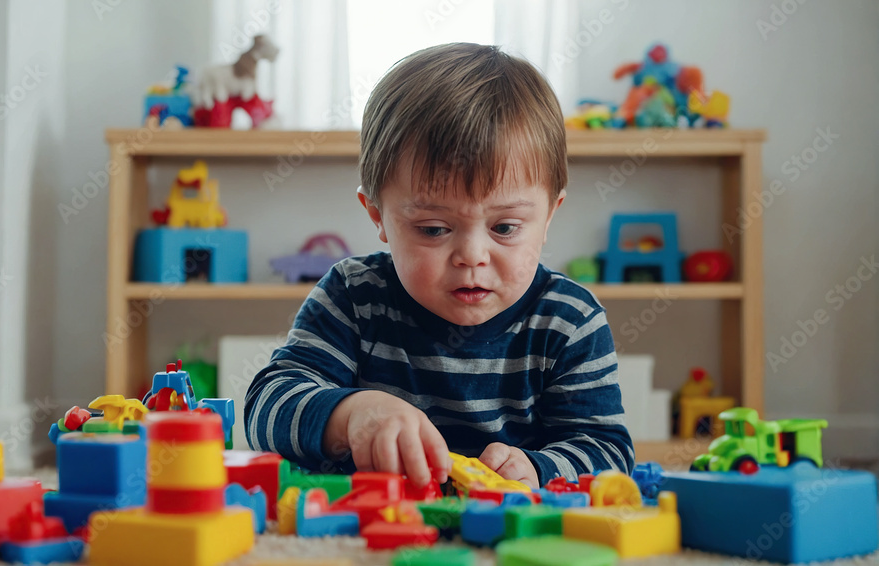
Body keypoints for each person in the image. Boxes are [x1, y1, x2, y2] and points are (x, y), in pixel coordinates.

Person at [245, 43, 633, 489]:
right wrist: (353, 413)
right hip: (373, 531)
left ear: (548, 217)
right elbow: (266, 408)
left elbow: (607, 451)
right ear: (378, 216)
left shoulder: (569, 318)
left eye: (504, 227)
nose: (472, 256)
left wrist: (539, 468)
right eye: (433, 229)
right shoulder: (352, 297)